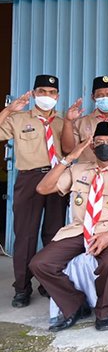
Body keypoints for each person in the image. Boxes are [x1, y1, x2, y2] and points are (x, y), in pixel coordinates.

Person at [29, 122, 108, 331]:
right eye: (99, 141)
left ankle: (104, 309)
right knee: (40, 264)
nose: (104, 145)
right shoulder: (78, 169)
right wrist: (69, 158)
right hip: (79, 229)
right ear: (92, 146)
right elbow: (43, 188)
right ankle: (75, 305)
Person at [0, 75, 68, 308]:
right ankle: (22, 288)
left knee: (54, 233)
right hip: (29, 178)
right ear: (34, 93)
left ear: (57, 96)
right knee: (26, 235)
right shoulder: (18, 119)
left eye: (51, 92)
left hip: (56, 178)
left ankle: (48, 283)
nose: (47, 96)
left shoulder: (62, 122)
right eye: (42, 91)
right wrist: (9, 109)